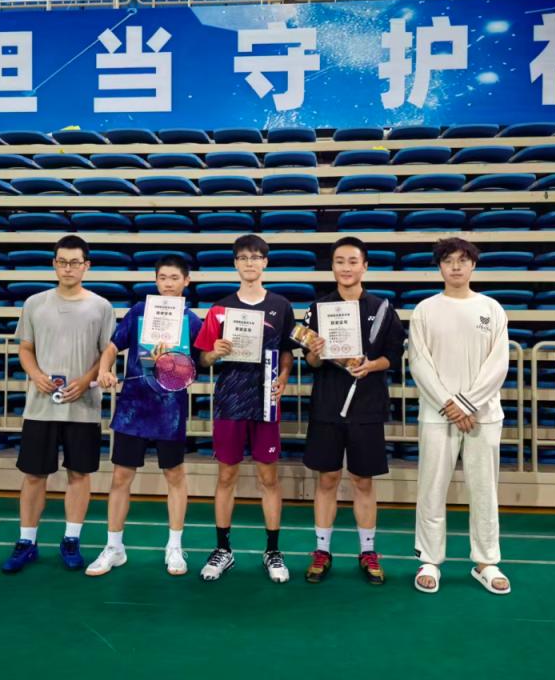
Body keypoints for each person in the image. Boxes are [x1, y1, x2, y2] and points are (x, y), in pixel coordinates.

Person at [1, 234, 116, 574]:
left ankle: (71, 539)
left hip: (84, 406)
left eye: (75, 262)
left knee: (79, 473)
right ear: (54, 264)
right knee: (34, 474)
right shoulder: (34, 303)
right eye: (62, 262)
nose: (68, 268)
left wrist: (87, 379)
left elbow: (106, 353)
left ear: (86, 266)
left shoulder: (101, 306)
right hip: (41, 406)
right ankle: (26, 541)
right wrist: (36, 375)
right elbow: (25, 348)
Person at [87, 254, 202, 577]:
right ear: (155, 281)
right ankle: (114, 547)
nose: (168, 284)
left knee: (174, 476)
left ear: (186, 282)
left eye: (174, 278)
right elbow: (113, 346)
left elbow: (201, 361)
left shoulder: (192, 321)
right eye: (162, 278)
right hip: (133, 407)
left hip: (170, 411)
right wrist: (105, 369)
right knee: (121, 477)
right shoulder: (139, 312)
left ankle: (174, 547)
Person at [300, 237, 406, 585]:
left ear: (365, 266)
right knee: (327, 479)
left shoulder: (382, 309)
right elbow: (311, 362)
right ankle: (321, 550)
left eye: (352, 261)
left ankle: (368, 550)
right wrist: (315, 352)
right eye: (339, 261)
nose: (346, 268)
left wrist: (370, 365)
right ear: (332, 266)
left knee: (363, 480)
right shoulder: (318, 308)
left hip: (367, 405)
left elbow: (393, 355)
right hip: (327, 404)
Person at [410, 237, 511, 595]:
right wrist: (449, 404)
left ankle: (486, 561)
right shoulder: (425, 310)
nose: (456, 266)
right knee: (431, 488)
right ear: (439, 266)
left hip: (483, 415)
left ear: (473, 265)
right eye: (448, 260)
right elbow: (419, 363)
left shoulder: (492, 308)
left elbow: (498, 364)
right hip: (438, 415)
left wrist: (468, 404)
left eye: (462, 260)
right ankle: (429, 560)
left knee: (484, 490)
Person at [193, 234, 295, 583]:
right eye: (243, 258)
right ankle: (223, 549)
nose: (250, 263)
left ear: (265, 262)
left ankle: (273, 551)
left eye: (256, 257)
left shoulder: (281, 305)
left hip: (266, 399)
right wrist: (214, 352)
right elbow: (202, 358)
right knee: (226, 476)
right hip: (230, 400)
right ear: (235, 263)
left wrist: (284, 376)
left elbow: (286, 352)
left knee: (269, 478)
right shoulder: (219, 308)